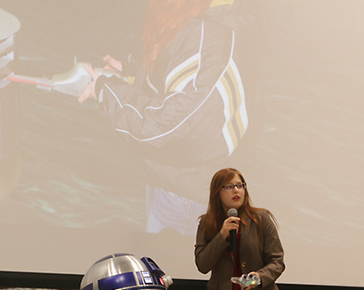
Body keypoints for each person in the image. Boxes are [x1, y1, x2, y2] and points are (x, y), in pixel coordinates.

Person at [79, 0, 254, 236]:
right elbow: (187, 86)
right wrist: (132, 74)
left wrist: (106, 90)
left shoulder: (207, 36)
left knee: (167, 268)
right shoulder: (218, 18)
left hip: (185, 195)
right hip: (183, 177)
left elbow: (163, 128)